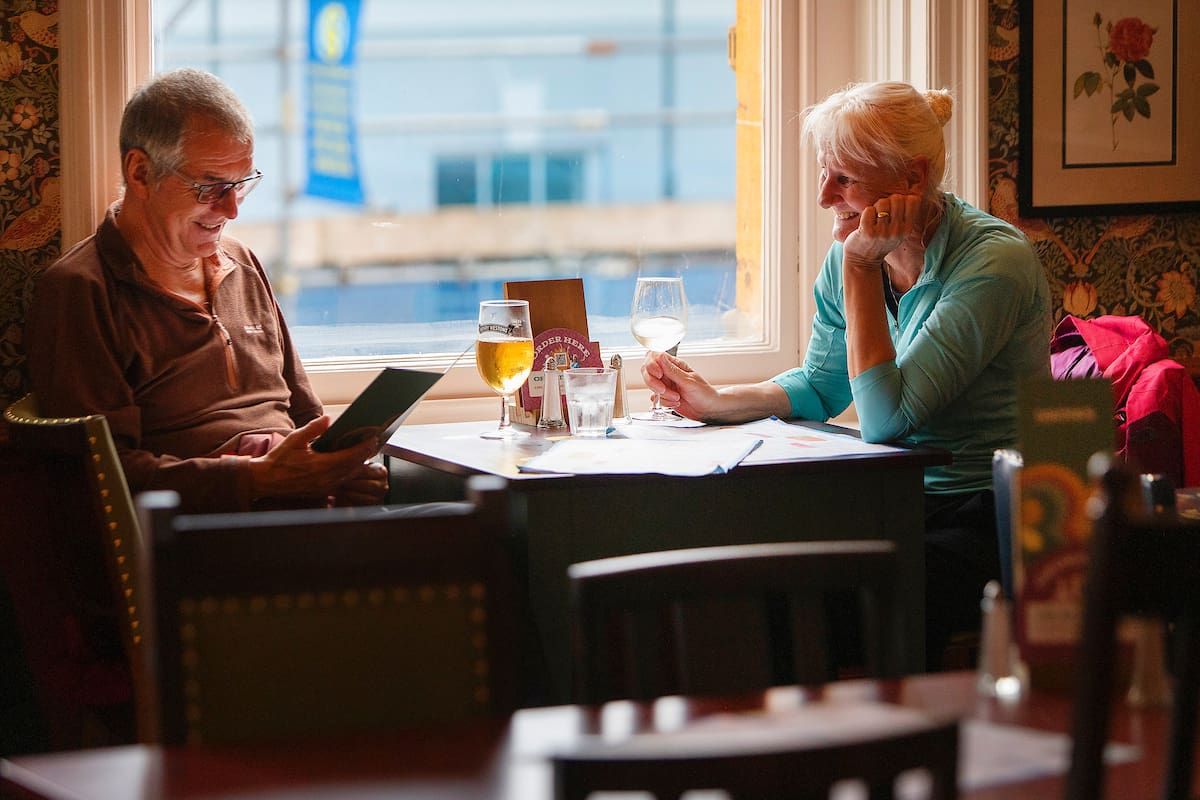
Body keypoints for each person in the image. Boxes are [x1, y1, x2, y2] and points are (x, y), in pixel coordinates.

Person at [642, 81, 1052, 670]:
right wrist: (717, 401)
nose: (822, 196)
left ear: (912, 178)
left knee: (818, 599)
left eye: (844, 179)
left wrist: (862, 265)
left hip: (991, 514)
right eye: (823, 174)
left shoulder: (992, 263)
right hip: (896, 500)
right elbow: (820, 385)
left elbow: (884, 422)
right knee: (742, 566)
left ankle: (860, 744)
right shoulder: (850, 257)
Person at [25, 68, 387, 513]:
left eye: (241, 185)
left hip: (299, 512)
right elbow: (99, 475)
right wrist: (256, 479)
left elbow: (306, 416)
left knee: (455, 527)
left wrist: (337, 469)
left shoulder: (243, 264)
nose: (231, 209)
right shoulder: (82, 291)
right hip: (201, 539)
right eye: (211, 187)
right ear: (140, 171)